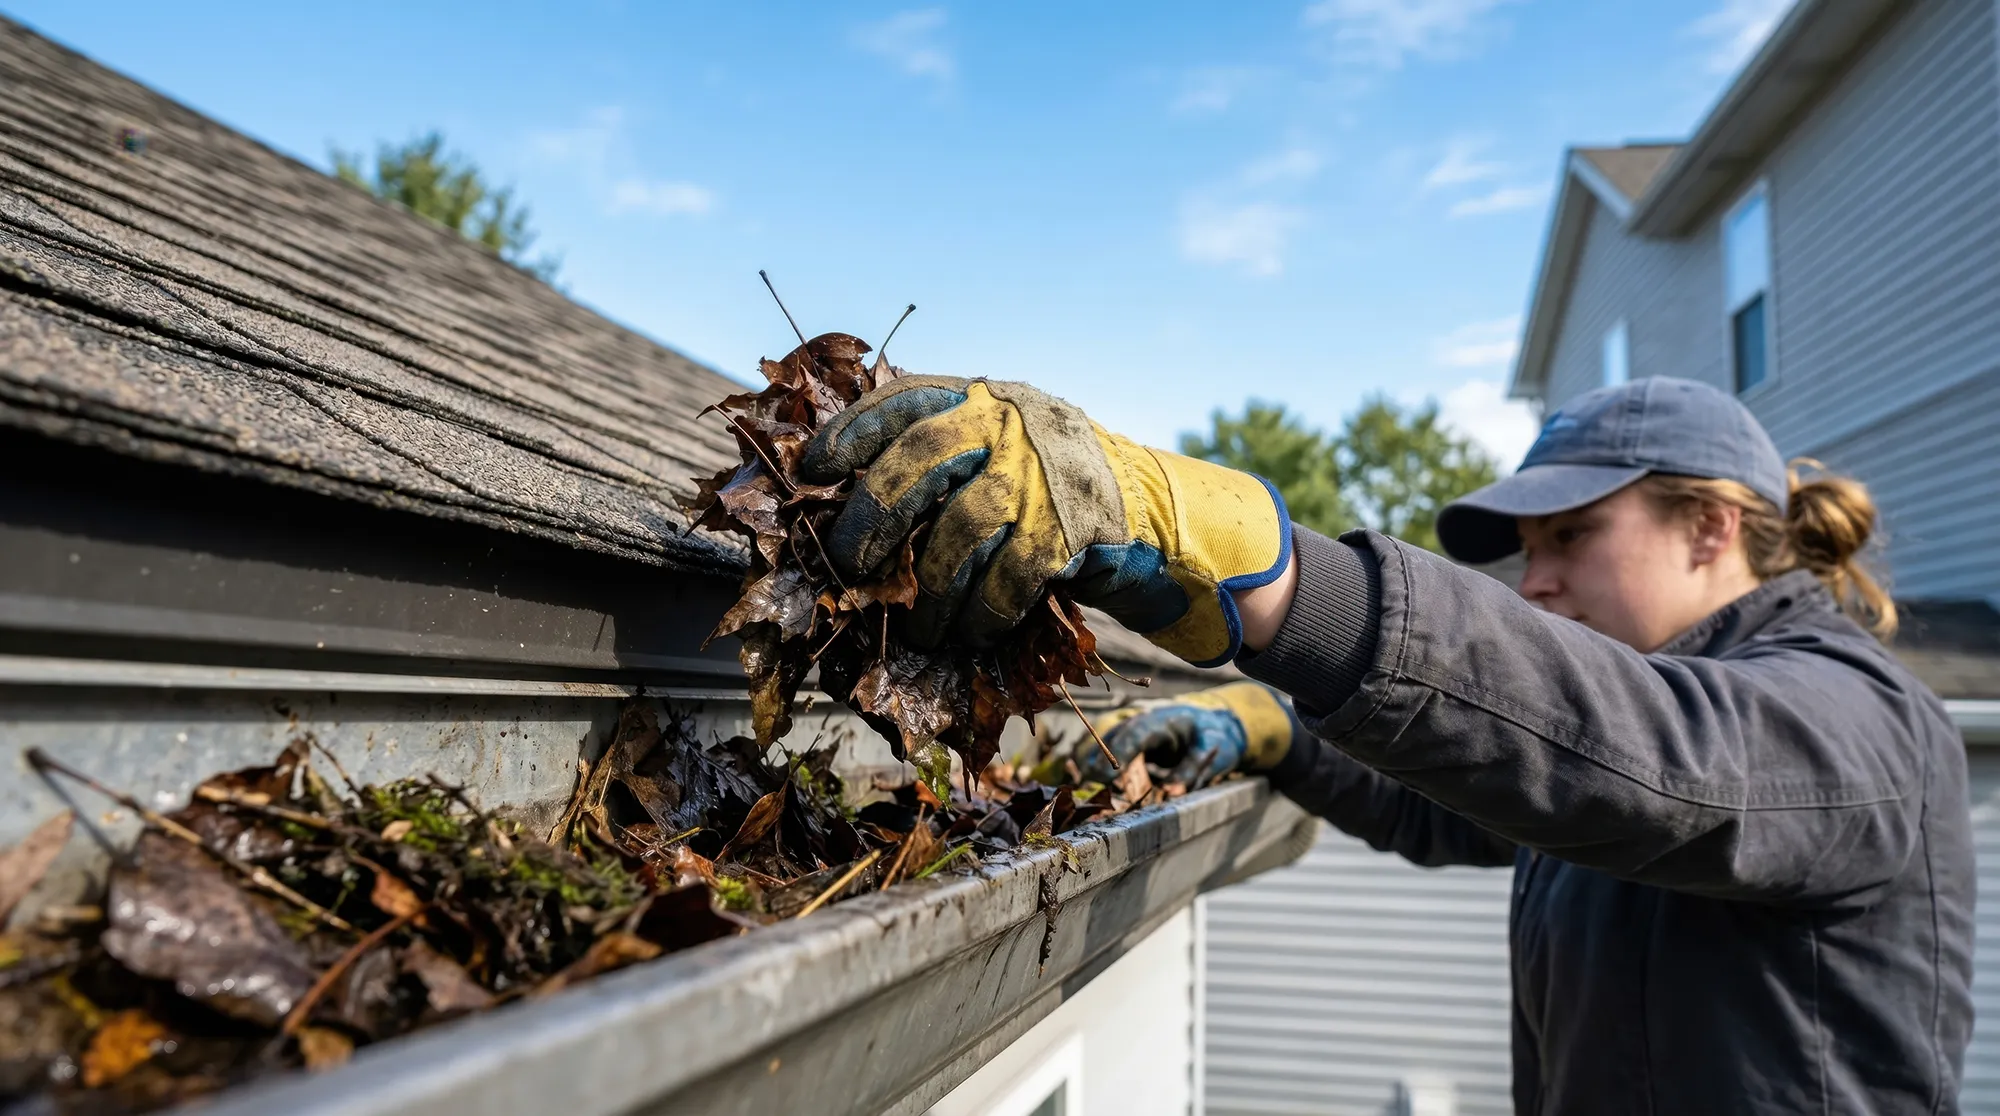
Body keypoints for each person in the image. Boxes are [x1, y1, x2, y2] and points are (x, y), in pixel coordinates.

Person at [799, 374, 1974, 1115]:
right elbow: (1472, 797)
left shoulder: (1857, 721)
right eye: (1525, 551)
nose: (1538, 584)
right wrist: (1276, 732)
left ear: (1712, 526)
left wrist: (1278, 576)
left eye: (1570, 536)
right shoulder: (1616, 749)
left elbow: (1665, 761)